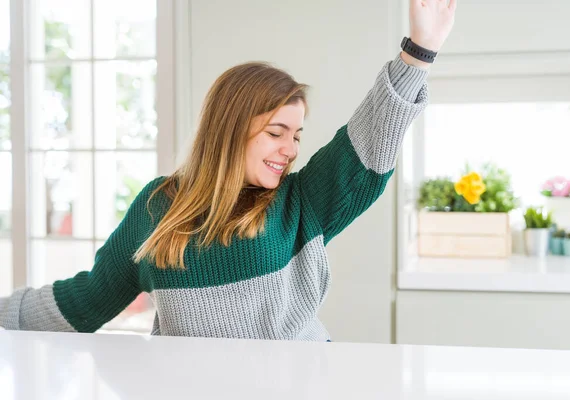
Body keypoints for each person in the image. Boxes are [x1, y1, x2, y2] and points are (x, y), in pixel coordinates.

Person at [0, 0, 456, 340]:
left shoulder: (299, 202)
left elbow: (370, 139)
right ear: (231, 128)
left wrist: (418, 54)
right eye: (276, 132)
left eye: (296, 135)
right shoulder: (159, 207)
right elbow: (85, 299)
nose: (290, 149)